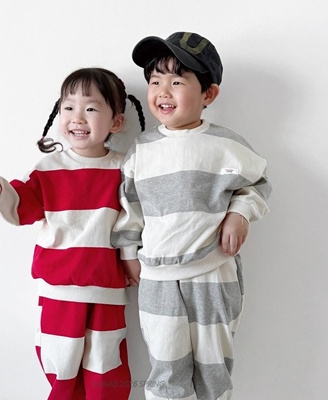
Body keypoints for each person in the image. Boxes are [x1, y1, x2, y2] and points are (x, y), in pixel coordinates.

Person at [0, 67, 145, 400]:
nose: (77, 117)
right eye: (68, 107)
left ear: (116, 122)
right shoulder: (48, 169)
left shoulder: (125, 169)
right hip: (59, 294)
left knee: (107, 375)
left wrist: (131, 260)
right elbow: (20, 207)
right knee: (61, 372)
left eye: (91, 108)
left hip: (106, 294)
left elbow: (133, 221)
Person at [111, 32, 272, 400]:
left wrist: (239, 214)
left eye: (177, 81)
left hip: (213, 273)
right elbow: (130, 206)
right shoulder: (141, 150)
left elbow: (258, 184)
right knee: (166, 369)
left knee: (213, 368)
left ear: (208, 94)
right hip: (157, 278)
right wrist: (128, 253)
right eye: (155, 81)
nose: (162, 91)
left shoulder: (226, 144)